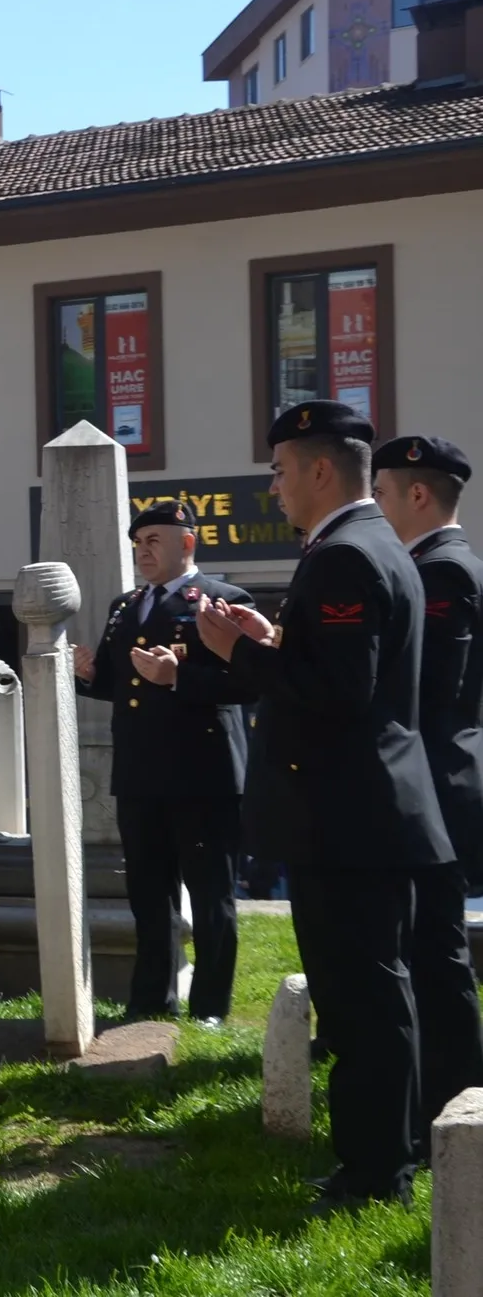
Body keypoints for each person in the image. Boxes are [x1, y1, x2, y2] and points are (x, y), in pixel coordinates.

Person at [196, 400, 452, 1206]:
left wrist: (237, 650)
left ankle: (378, 1172)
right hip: (355, 812)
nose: (271, 487)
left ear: (316, 468)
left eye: (277, 470)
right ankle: (380, 1159)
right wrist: (270, 644)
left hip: (347, 816)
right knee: (366, 995)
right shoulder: (361, 545)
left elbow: (341, 694)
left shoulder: (344, 553)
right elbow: (342, 674)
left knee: (363, 1001)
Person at [73, 500, 254, 1024]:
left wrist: (178, 677)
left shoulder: (223, 601)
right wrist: (89, 675)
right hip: (140, 773)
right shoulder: (126, 606)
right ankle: (151, 1000)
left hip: (202, 776)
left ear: (187, 544)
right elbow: (121, 684)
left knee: (211, 896)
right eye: (139, 542)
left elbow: (247, 684)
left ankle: (210, 1009)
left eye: (154, 540)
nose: (143, 551)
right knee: (148, 896)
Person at [371, 434, 483, 1132]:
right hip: (429, 782)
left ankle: (451, 1100)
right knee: (421, 945)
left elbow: (424, 688)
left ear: (417, 495)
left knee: (433, 953)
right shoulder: (430, 566)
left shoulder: (442, 572)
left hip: (434, 785)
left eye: (379, 493)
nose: (373, 506)